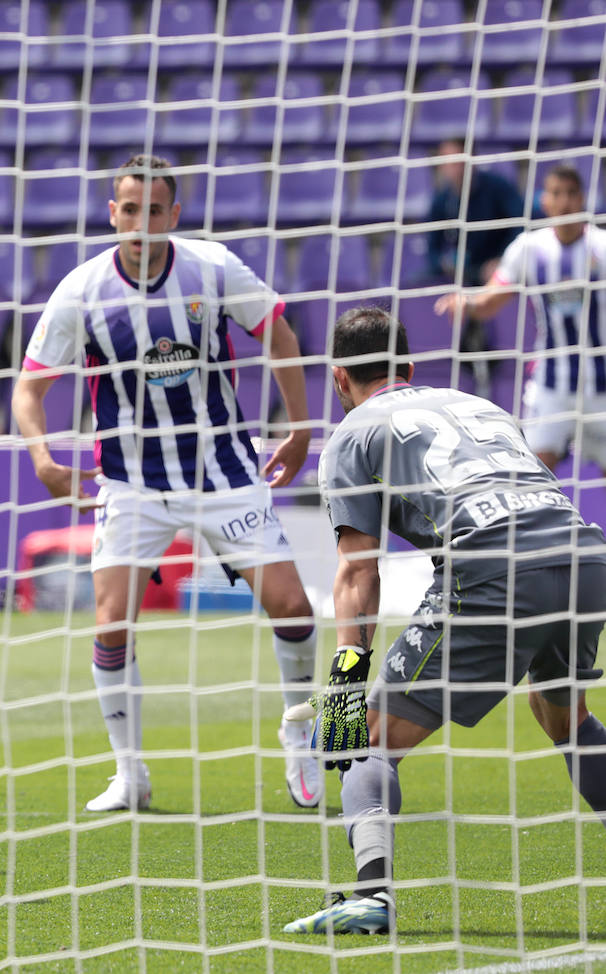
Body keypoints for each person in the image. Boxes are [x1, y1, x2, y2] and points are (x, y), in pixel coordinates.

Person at [11, 154, 323, 812]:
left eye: (154, 210)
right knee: (110, 623)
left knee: (292, 606)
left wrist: (298, 429)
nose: (141, 222)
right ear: (112, 213)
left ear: (173, 215)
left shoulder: (212, 268)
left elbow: (281, 334)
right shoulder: (83, 289)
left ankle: (301, 734)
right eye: (130, 209)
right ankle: (130, 773)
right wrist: (42, 458)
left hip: (225, 470)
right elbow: (30, 388)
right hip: (130, 481)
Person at [285, 307, 606, 935]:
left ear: (337, 379)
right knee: (566, 718)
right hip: (581, 552)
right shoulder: (479, 406)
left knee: (367, 739)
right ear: (408, 368)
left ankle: (370, 895)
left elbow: (358, 574)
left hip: (495, 563)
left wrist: (347, 682)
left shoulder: (352, 435)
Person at [435, 163, 606, 472]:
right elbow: (492, 298)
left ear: (582, 199)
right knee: (535, 472)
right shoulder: (530, 248)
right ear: (546, 201)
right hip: (552, 383)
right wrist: (469, 302)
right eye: (557, 193)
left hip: (601, 385)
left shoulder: (601, 247)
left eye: (571, 194)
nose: (565, 201)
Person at [426, 138, 527, 289]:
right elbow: (433, 248)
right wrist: (443, 264)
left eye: (457, 161)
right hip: (465, 271)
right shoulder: (441, 201)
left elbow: (520, 225)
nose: (453, 168)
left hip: (498, 267)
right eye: (446, 161)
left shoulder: (498, 187)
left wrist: (502, 259)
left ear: (471, 160)